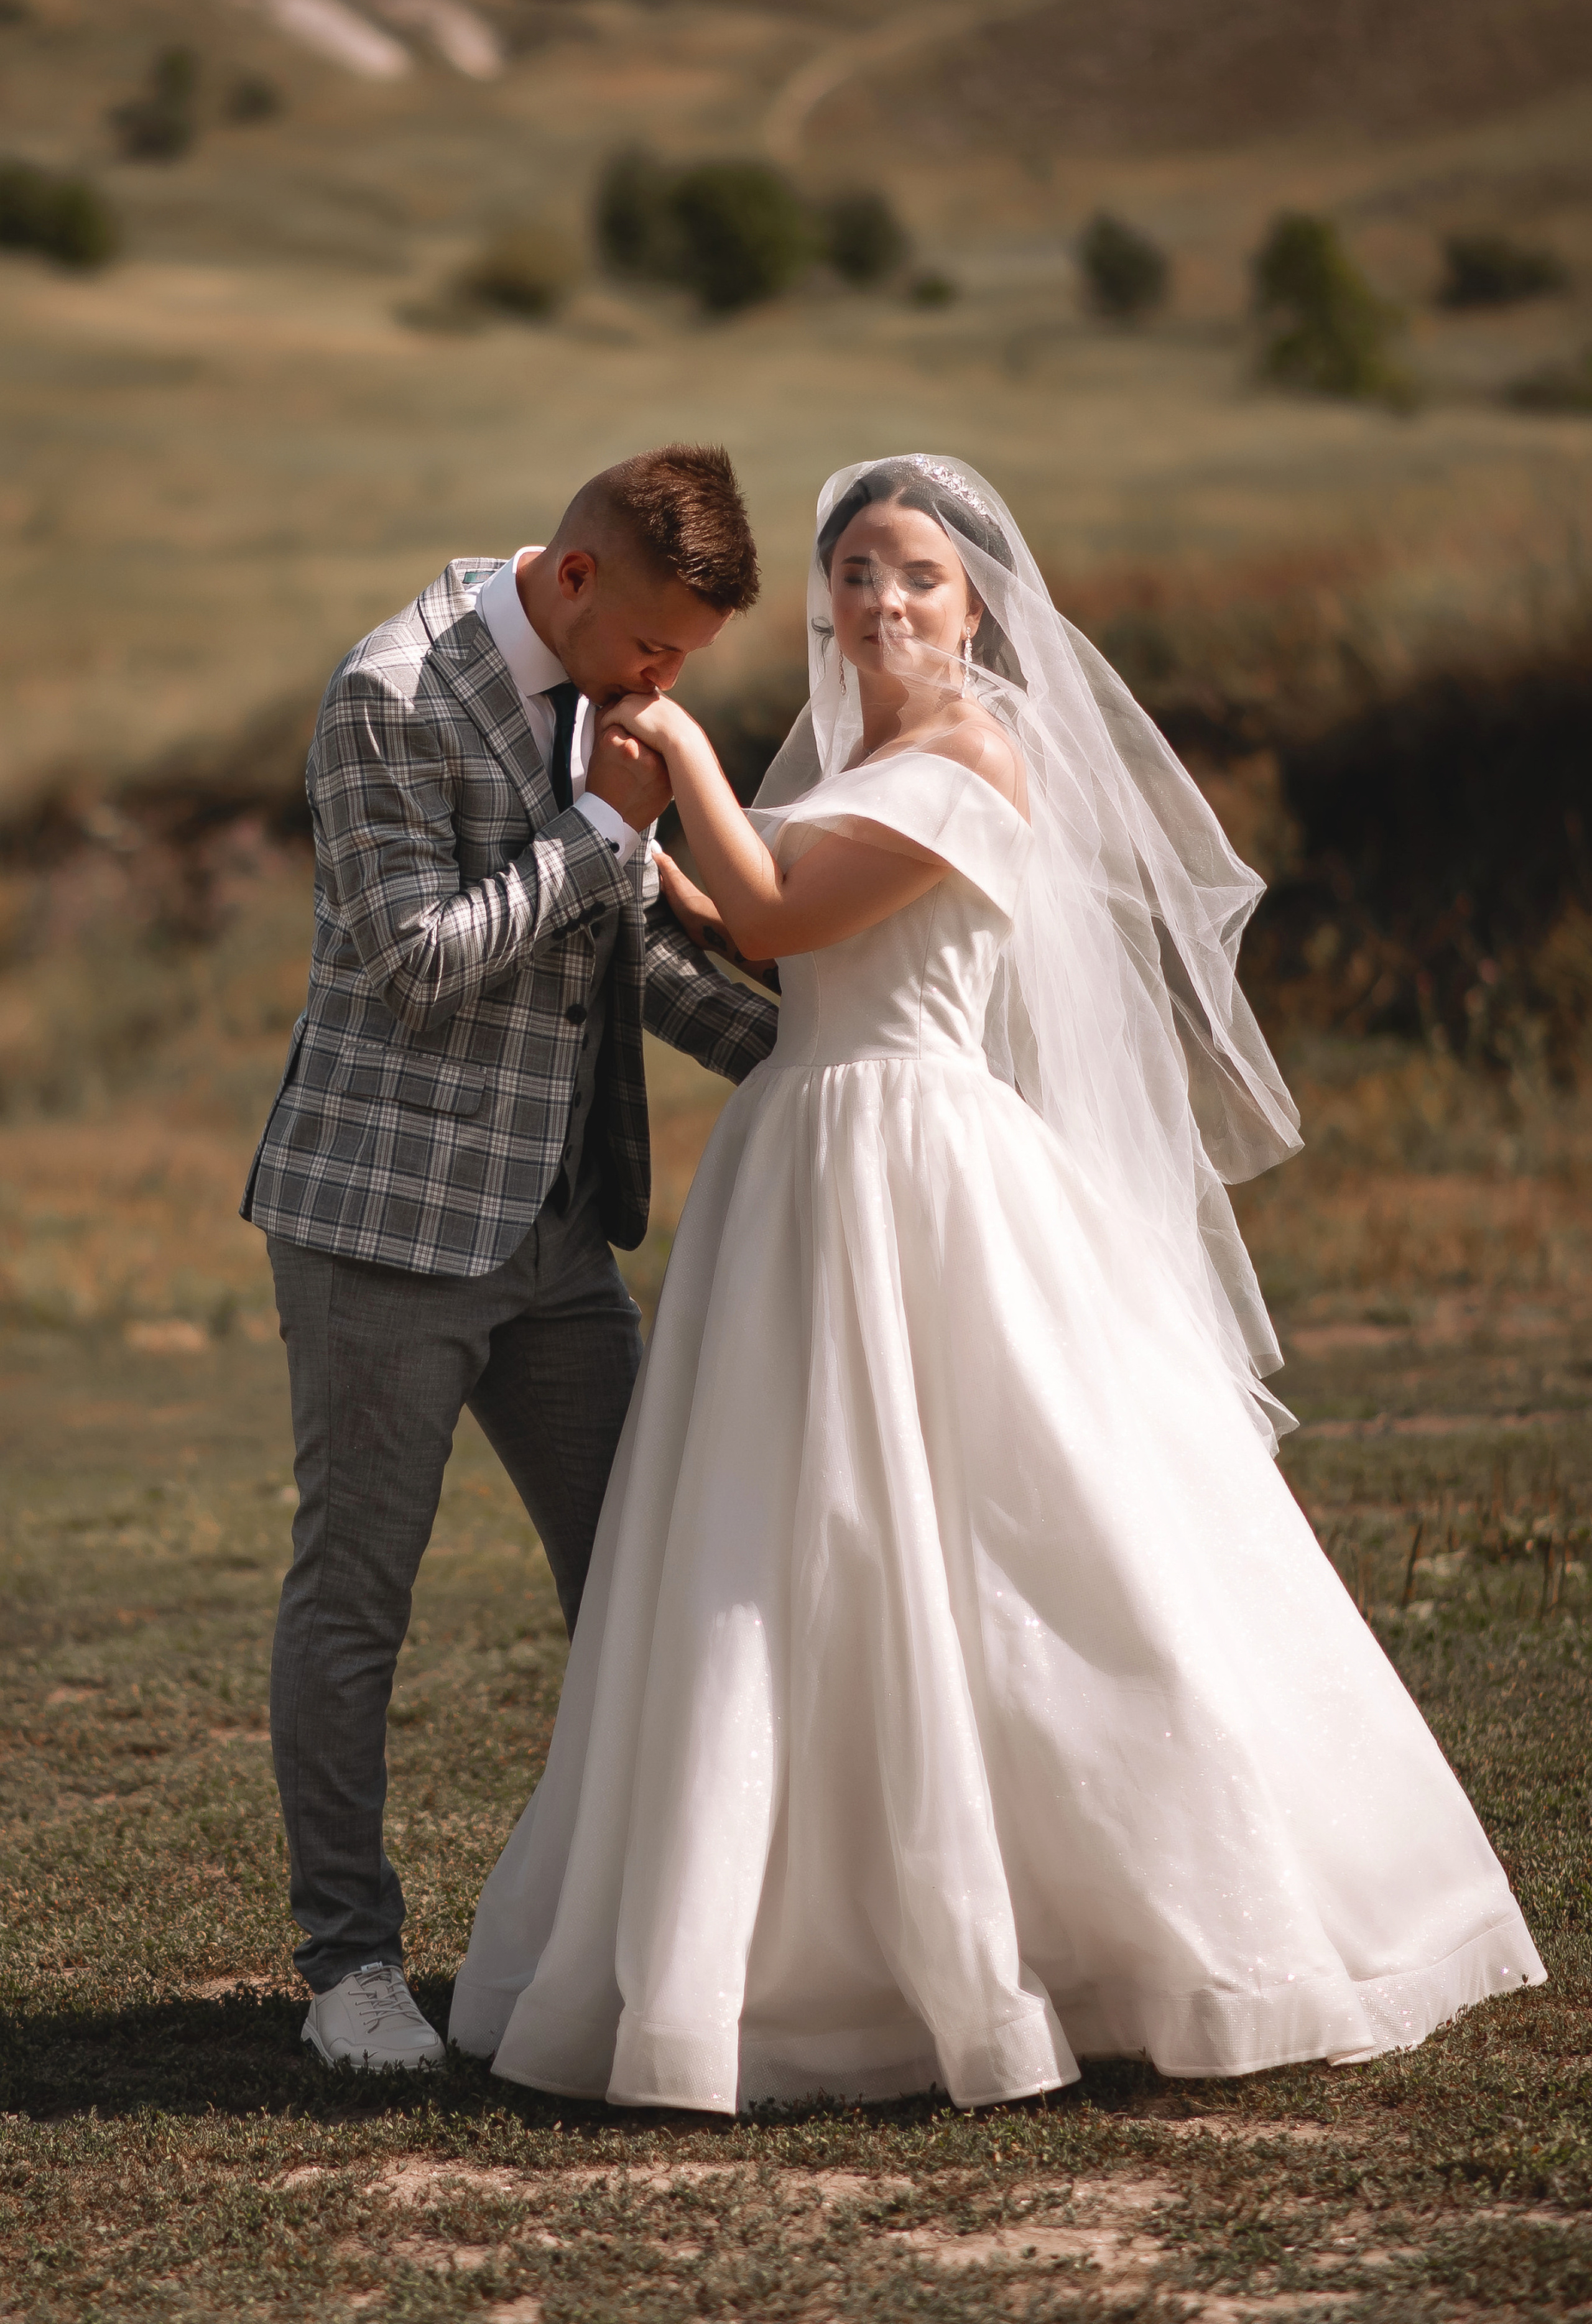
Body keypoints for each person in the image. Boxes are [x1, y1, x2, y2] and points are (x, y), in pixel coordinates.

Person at [448, 454, 1542, 2110]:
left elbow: (782, 910)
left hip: (916, 1160)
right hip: (801, 1160)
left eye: (922, 576)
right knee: (791, 1543)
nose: (886, 603)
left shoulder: (975, 752)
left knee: (1016, 1532)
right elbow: (759, 917)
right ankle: (799, 1936)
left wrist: (671, 760)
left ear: (978, 605)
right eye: (859, 575)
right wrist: (655, 864)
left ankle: (1125, 1917)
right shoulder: (860, 759)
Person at [240, 445, 779, 2070]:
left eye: (691, 661)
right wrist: (605, 831)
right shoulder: (388, 695)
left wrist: (815, 1064)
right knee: (358, 1604)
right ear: (572, 578)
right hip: (382, 1233)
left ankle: (648, 1938)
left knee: (643, 1580)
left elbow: (616, 962)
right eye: (658, 651)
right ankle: (349, 1968)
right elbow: (412, 966)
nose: (670, 687)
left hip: (557, 1242)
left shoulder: (605, 695)